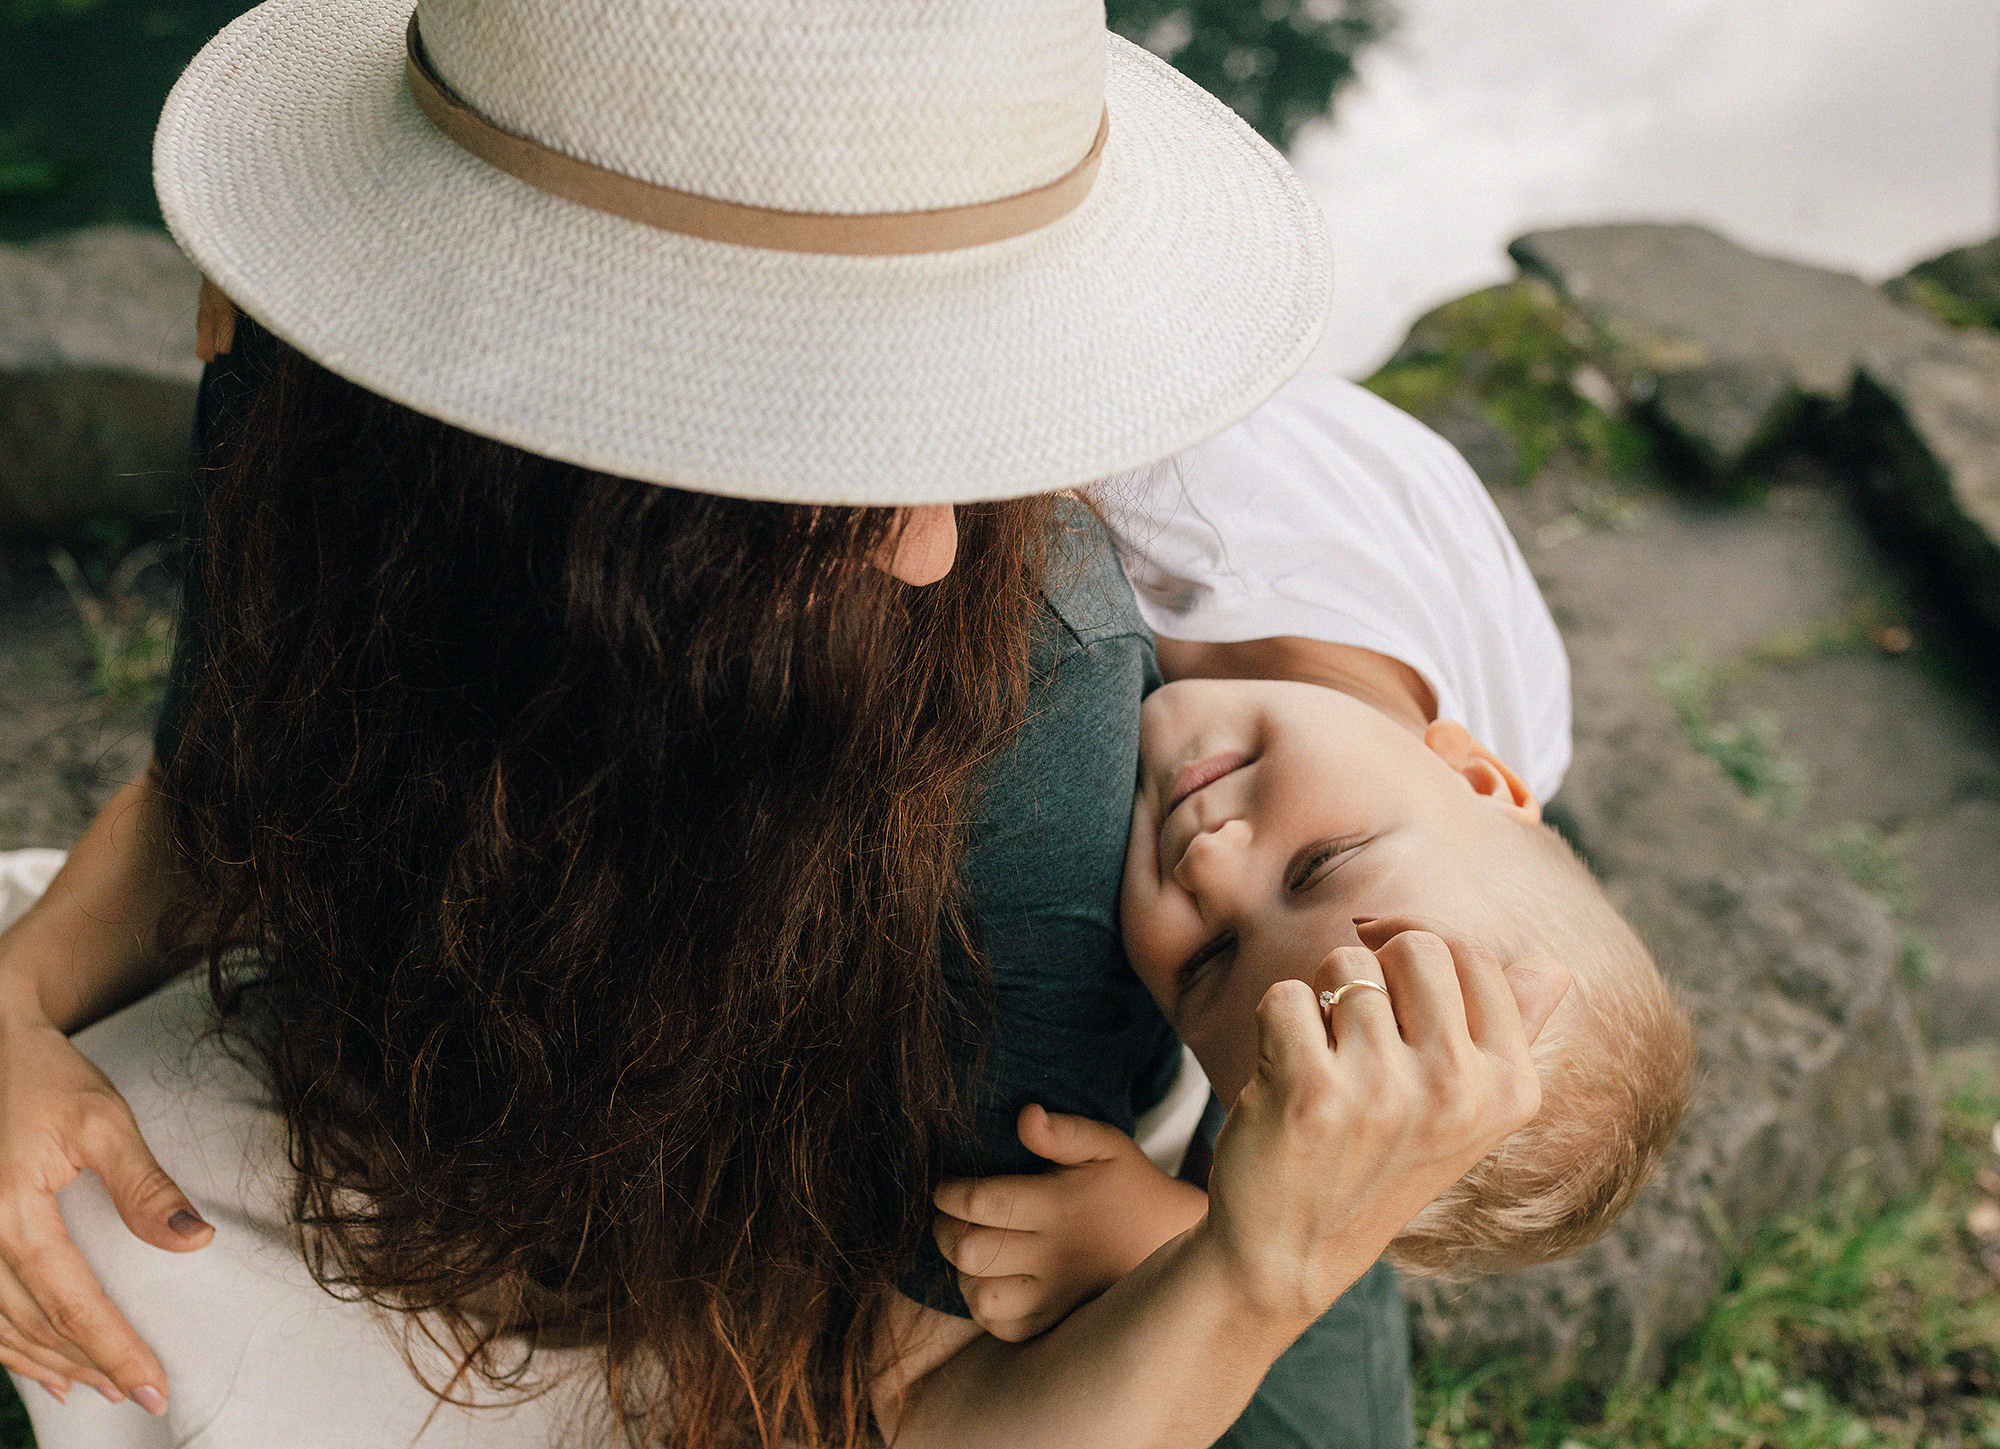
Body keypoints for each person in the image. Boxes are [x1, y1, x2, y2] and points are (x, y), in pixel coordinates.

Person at [0, 2, 1563, 1448]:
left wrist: (1259, 1275)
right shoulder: (307, 390)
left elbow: (924, 1393)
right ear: (518, 449)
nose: (943, 540)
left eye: (957, 399)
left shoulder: (1025, 676)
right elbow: (224, 800)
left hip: (848, 1222)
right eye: (830, 434)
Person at [932, 369, 1694, 1343]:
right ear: (1477, 776)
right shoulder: (1172, 498)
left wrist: (1186, 1233)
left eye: (1206, 962)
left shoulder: (1483, 780)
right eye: (1317, 865)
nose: (1210, 865)